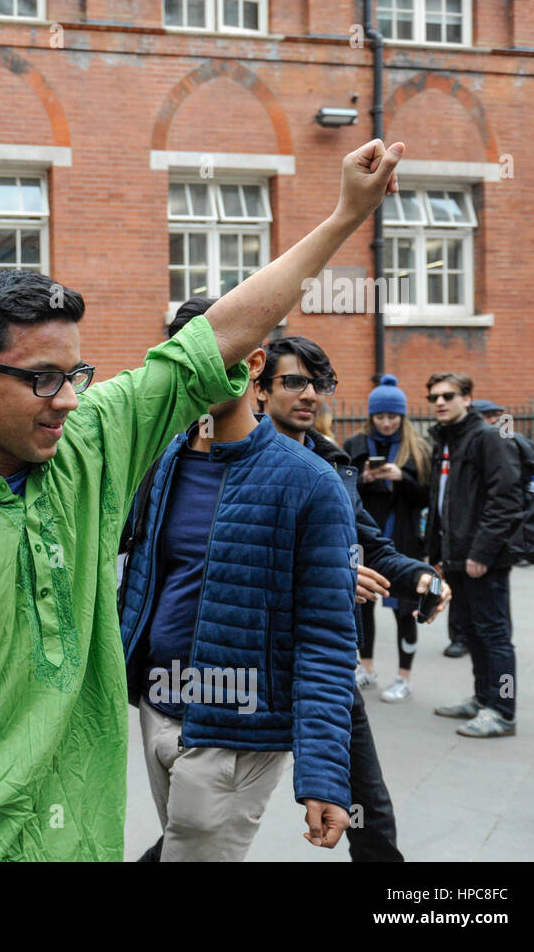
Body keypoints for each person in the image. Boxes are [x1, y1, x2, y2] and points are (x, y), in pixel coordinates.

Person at [0, 133, 404, 861]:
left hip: (82, 838)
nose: (65, 399)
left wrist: (344, 215)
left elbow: (218, 336)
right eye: (40, 378)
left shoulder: (89, 442)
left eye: (75, 372)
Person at [119, 300, 359, 861]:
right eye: (183, 362)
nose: (196, 375)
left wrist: (324, 775)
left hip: (235, 729)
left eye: (213, 356)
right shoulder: (163, 460)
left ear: (251, 363)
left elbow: (328, 637)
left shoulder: (310, 482)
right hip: (157, 709)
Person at [262, 337, 449, 862]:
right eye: (293, 381)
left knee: (371, 816)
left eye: (318, 384)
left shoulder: (331, 462)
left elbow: (371, 543)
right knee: (205, 827)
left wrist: (417, 576)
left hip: (323, 664)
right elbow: (226, 568)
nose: (310, 395)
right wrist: (333, 578)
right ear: (258, 387)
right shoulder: (231, 462)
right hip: (248, 667)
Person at [425, 372, 521, 738]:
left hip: (484, 559)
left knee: (496, 636)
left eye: (448, 395)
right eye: (434, 397)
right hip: (455, 557)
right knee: (475, 634)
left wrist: (482, 552)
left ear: (468, 398)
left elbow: (506, 500)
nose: (439, 402)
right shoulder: (446, 440)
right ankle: (483, 700)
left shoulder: (490, 438)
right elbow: (442, 500)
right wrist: (435, 553)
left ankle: (504, 709)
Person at [344, 375, 432, 702]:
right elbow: (342, 492)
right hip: (364, 542)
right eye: (379, 416)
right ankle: (366, 668)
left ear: (402, 417)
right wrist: (364, 478)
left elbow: (428, 498)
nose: (385, 422)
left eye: (392, 417)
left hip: (404, 539)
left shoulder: (417, 449)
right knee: (362, 607)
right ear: (371, 416)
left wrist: (402, 478)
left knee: (404, 610)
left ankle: (404, 676)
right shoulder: (354, 445)